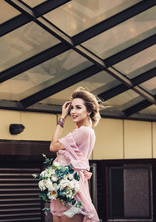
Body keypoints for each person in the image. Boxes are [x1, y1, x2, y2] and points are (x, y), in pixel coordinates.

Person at [49, 87, 101, 222]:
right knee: (59, 217)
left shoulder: (83, 132)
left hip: (73, 191)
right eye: (71, 108)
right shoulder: (80, 132)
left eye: (78, 107)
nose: (73, 111)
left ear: (89, 111)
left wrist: (62, 117)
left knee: (67, 216)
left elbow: (53, 146)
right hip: (65, 188)